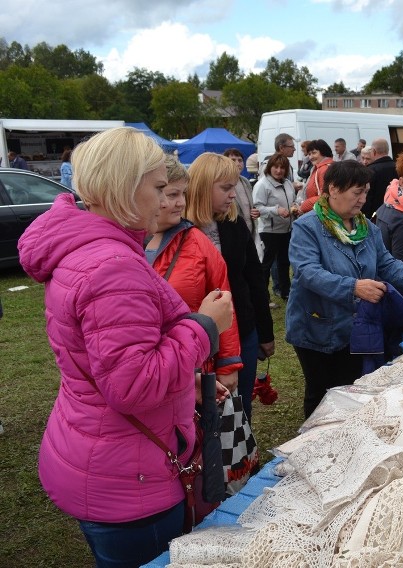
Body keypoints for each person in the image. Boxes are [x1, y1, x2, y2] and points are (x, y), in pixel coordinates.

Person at [17, 127, 233, 567]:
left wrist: (180, 383)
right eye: (157, 188)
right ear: (123, 186)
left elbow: (106, 362)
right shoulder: (113, 266)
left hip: (99, 449)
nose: (164, 200)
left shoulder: (90, 249)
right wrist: (205, 327)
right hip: (128, 477)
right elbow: (133, 384)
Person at [285, 160, 403, 417]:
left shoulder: (366, 227)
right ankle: (312, 441)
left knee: (350, 386)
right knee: (320, 392)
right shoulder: (307, 227)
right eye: (357, 192)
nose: (363, 199)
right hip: (316, 327)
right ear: (333, 189)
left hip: (357, 326)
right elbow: (308, 273)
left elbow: (387, 264)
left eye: (365, 192)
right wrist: (353, 287)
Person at [186, 152, 276, 423]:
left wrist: (265, 332)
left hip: (241, 330)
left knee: (238, 409)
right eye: (226, 188)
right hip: (193, 337)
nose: (233, 195)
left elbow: (254, 279)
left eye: (234, 187)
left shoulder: (234, 224)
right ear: (202, 187)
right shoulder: (177, 229)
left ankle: (239, 464)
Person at [145, 155, 242, 397]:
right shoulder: (127, 241)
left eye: (183, 194)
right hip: (145, 364)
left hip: (194, 362)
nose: (180, 203)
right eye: (171, 194)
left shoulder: (197, 242)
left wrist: (228, 363)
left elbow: (223, 300)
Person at [253, 153, 296, 301]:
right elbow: (257, 208)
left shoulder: (288, 183)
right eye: (276, 167)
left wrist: (295, 207)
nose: (279, 171)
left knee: (285, 263)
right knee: (266, 265)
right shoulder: (262, 185)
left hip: (286, 230)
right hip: (269, 231)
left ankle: (286, 292)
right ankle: (263, 297)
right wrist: (276, 210)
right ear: (269, 167)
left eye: (282, 168)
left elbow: (293, 201)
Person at [223, 148, 260, 241]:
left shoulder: (245, 181)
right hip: (233, 233)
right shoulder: (222, 182)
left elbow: (250, 205)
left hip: (250, 230)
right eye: (233, 160)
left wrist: (256, 212)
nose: (237, 163)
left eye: (240, 160)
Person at [364, 138, 397, 220]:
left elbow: (367, 198)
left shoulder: (370, 171)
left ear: (374, 151)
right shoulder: (398, 168)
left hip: (375, 217)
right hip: (395, 215)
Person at [298, 139, 334, 214]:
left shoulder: (324, 169)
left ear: (323, 152)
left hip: (323, 214)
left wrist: (303, 206)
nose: (311, 157)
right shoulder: (320, 167)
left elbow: (325, 197)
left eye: (314, 153)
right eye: (309, 154)